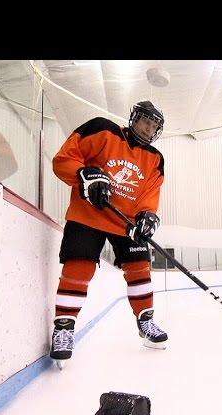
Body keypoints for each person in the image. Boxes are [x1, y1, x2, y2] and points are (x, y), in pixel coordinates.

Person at [49, 100, 168, 366]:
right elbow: (63, 160)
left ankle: (145, 322)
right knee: (78, 268)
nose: (149, 129)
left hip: (124, 221)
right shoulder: (102, 130)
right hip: (87, 215)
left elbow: (149, 195)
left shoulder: (155, 159)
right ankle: (64, 328)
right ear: (134, 118)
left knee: (139, 268)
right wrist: (84, 174)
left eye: (154, 126)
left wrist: (147, 216)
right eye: (146, 122)